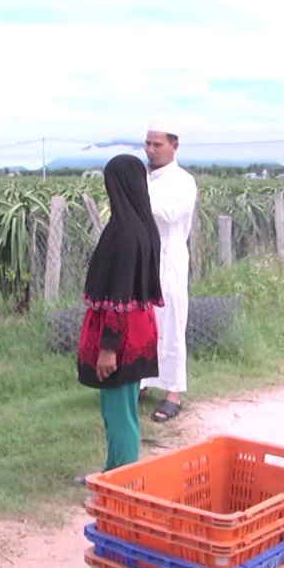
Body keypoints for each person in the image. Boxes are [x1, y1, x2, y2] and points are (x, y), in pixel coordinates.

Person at [74, 154, 164, 483]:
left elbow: (119, 296)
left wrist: (108, 347)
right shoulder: (143, 226)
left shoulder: (123, 233)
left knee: (119, 410)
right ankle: (113, 470)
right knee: (117, 407)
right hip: (139, 329)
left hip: (121, 336)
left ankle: (123, 477)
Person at [139, 118, 199, 422]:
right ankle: (141, 381)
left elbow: (170, 214)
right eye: (147, 143)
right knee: (142, 321)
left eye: (157, 144)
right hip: (142, 257)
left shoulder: (183, 181)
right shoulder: (145, 179)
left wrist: (137, 200)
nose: (151, 150)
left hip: (168, 258)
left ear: (174, 146)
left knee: (171, 321)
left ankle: (173, 391)